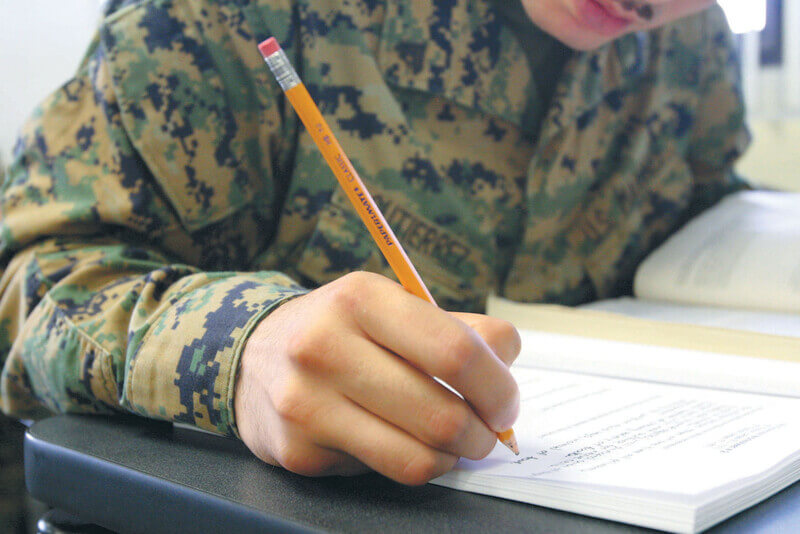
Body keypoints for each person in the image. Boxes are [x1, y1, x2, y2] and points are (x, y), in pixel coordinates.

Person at [0, 0, 749, 489]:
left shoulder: (692, 39)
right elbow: (31, 287)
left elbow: (703, 212)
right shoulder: (228, 16)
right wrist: (241, 347)